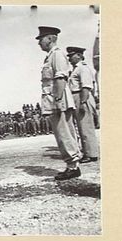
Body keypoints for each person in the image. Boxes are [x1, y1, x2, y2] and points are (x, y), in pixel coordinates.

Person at [36, 26, 82, 180]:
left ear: (50, 38)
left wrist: (57, 99)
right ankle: (72, 164)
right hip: (55, 98)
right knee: (63, 133)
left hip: (58, 99)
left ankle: (73, 166)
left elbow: (61, 78)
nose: (39, 43)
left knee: (64, 133)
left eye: (41, 39)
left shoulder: (57, 55)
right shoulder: (50, 56)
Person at [66, 46, 99, 163]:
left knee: (86, 127)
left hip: (81, 96)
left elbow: (86, 86)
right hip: (76, 97)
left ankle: (91, 154)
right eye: (69, 56)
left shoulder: (82, 68)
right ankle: (88, 152)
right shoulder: (75, 69)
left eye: (71, 56)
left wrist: (83, 103)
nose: (69, 58)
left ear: (79, 56)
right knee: (82, 127)